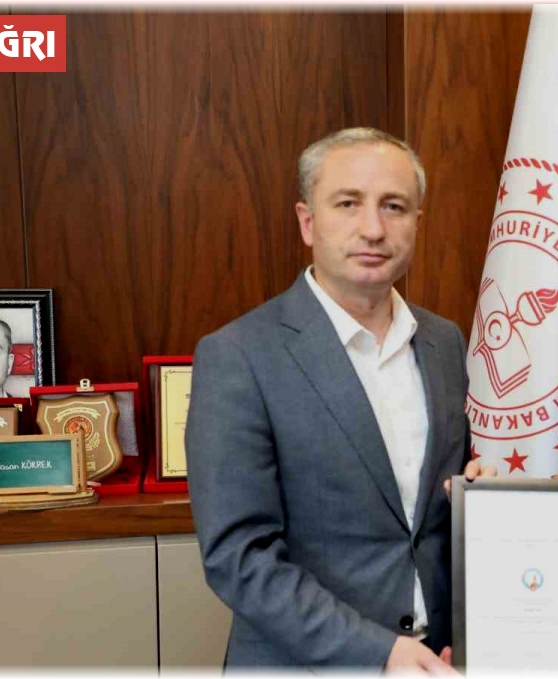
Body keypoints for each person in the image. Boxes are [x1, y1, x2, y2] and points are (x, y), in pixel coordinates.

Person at [187, 128, 486, 672]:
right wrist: (380, 653)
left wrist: (478, 496)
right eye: (348, 204)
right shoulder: (239, 355)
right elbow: (238, 558)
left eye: (394, 206)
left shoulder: (444, 342)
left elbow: (428, 521)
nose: (373, 229)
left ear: (417, 222)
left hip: (438, 662)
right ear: (308, 222)